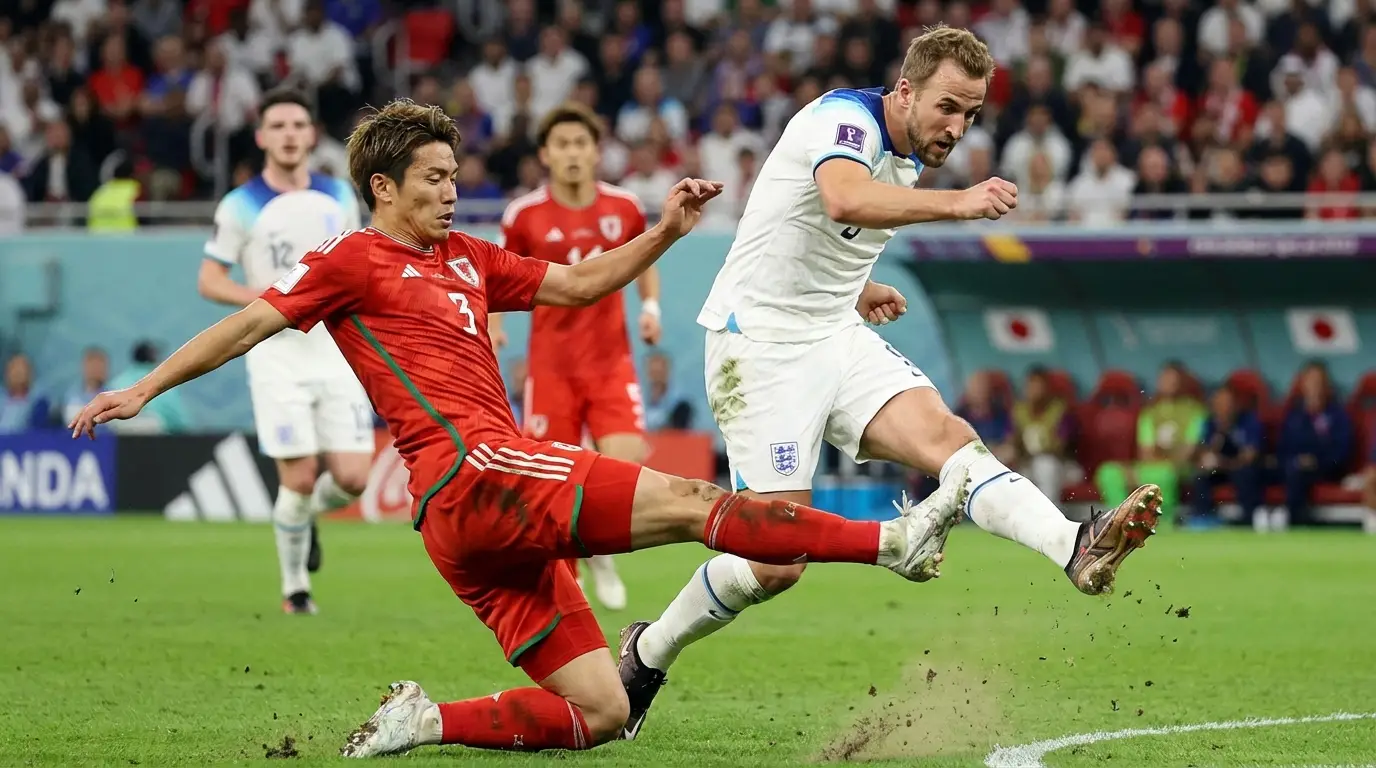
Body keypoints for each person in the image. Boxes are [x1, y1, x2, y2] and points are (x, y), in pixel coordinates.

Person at [69, 98, 969, 758]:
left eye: (455, 177)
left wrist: (663, 233)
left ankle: (426, 722)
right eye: (433, 180)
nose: (452, 193)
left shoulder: (467, 256)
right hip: (477, 472)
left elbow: (574, 286)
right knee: (701, 500)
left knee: (603, 711)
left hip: (469, 526)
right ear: (383, 188)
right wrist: (143, 390)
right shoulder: (352, 260)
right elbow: (250, 321)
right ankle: (890, 541)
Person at [616, 24, 1162, 741]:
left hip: (834, 335)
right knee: (776, 562)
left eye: (970, 113)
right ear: (905, 89)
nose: (957, 126)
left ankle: (1074, 545)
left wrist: (857, 286)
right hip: (762, 351)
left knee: (952, 441)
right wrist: (960, 203)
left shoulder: (906, 153)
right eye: (946, 106)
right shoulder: (845, 119)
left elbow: (806, 225)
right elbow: (842, 198)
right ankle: (647, 652)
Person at [196, 87, 373, 615]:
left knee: (353, 480)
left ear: (311, 134)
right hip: (275, 353)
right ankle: (295, 590)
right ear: (262, 137)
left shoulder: (339, 195)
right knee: (296, 476)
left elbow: (359, 261)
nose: (289, 134)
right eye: (278, 126)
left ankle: (305, 518)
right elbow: (209, 279)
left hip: (334, 350)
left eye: (298, 125)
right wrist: (267, 299)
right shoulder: (240, 204)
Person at [492, 103, 664, 612]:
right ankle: (569, 591)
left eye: (580, 143)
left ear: (595, 151)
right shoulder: (523, 215)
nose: (571, 153)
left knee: (623, 466)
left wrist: (650, 307)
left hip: (611, 361)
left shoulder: (625, 207)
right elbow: (499, 275)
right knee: (551, 484)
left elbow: (644, 259)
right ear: (545, 154)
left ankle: (598, 554)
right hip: (551, 367)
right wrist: (496, 325)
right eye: (561, 144)